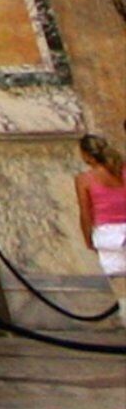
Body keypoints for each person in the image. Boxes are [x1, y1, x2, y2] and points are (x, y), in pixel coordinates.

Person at [77, 133, 126, 315]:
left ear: (87, 155)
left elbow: (85, 212)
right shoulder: (122, 170)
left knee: (121, 288)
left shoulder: (85, 179)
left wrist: (87, 238)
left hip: (108, 234)